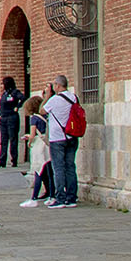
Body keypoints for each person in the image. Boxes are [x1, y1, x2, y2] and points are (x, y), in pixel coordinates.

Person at [44, 76, 81, 207]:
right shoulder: (74, 97)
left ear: (58, 86)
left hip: (57, 138)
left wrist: (47, 95)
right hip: (72, 136)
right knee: (70, 166)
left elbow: (42, 110)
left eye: (54, 85)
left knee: (58, 168)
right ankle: (72, 197)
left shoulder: (54, 100)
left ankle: (60, 198)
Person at [0, 77, 23, 168]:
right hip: (3, 118)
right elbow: (1, 107)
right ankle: (2, 161)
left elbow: (23, 98)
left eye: (2, 84)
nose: (1, 86)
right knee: (3, 140)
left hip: (12, 118)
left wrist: (18, 106)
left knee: (13, 139)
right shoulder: (4, 94)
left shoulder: (14, 92)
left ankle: (14, 160)